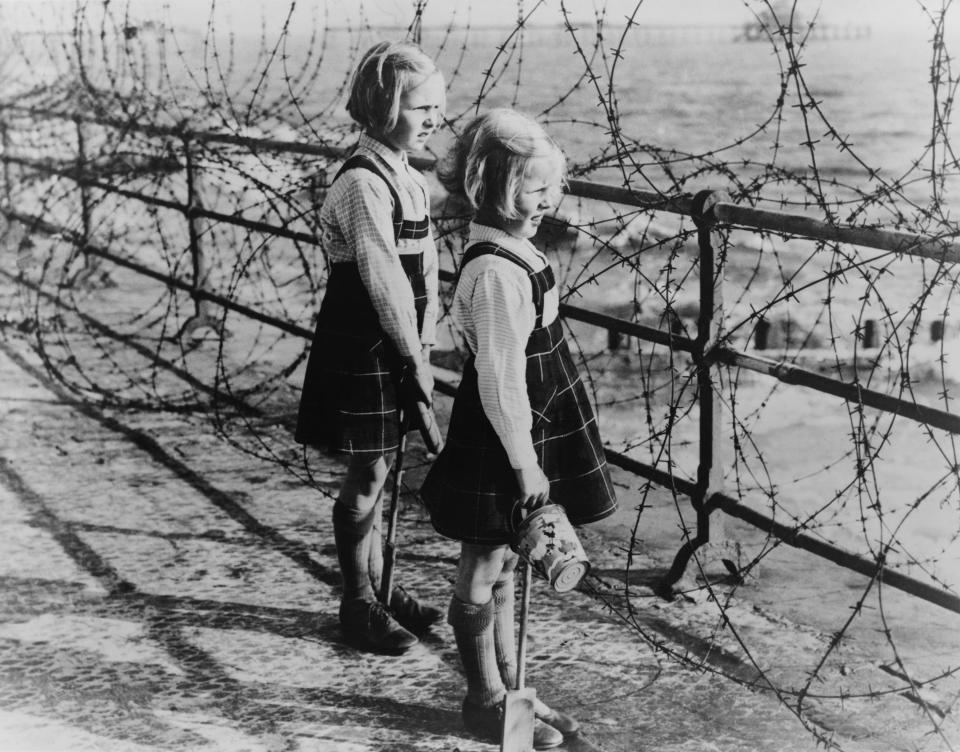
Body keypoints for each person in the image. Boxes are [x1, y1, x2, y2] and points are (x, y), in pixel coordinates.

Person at [420, 108, 618, 748]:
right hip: (506, 434)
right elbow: (501, 379)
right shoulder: (497, 271)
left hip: (528, 422)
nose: (548, 201)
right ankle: (484, 700)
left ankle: (512, 691)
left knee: (507, 561)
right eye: (535, 190)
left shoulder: (516, 249)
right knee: (482, 563)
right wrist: (525, 464)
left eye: (551, 187)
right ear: (496, 190)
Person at [294, 40, 446, 655]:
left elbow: (428, 270)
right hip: (365, 339)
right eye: (419, 107)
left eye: (439, 106)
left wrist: (427, 342)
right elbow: (382, 274)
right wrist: (412, 359)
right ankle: (358, 601)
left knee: (383, 469)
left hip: (403, 336)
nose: (433, 118)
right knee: (367, 476)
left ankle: (382, 583)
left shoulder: (409, 175)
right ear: (383, 108)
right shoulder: (363, 181)